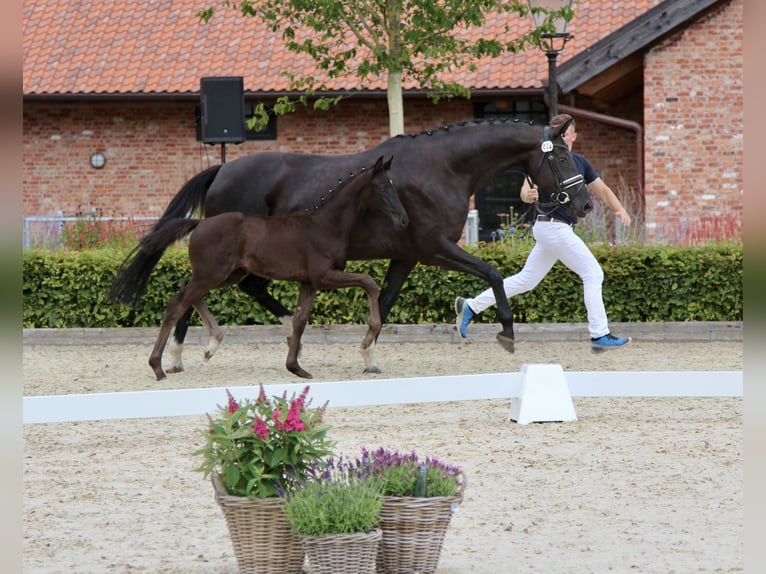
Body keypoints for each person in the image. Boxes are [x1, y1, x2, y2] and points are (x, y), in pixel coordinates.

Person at [455, 113, 632, 352]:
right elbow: (526, 190)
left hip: (554, 229)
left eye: (564, 134)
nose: (561, 138)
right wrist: (527, 195)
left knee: (526, 280)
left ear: (573, 137)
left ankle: (471, 306)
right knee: (593, 274)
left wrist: (619, 208)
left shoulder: (580, 162)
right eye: (557, 133)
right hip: (552, 226)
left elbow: (601, 189)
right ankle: (599, 334)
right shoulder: (544, 159)